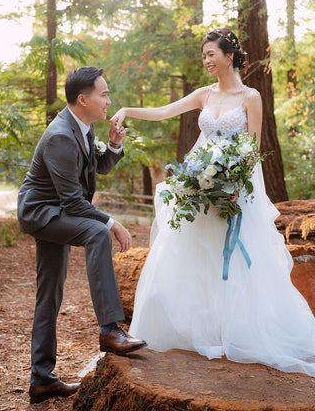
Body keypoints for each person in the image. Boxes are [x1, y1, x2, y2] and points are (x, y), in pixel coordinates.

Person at [111, 28, 315, 377]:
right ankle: (198, 331)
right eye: (204, 55)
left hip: (235, 190)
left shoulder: (251, 96)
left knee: (235, 260)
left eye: (210, 54)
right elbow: (163, 112)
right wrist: (126, 110)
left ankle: (239, 331)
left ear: (229, 55)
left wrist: (234, 183)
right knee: (194, 257)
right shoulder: (204, 95)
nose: (206, 60)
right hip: (200, 186)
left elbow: (252, 148)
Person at [17, 67, 146, 404]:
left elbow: (96, 168)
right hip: (42, 212)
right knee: (97, 233)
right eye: (104, 94)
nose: (109, 100)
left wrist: (115, 144)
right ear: (83, 98)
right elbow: (73, 201)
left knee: (49, 296)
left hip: (56, 210)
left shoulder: (83, 127)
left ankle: (41, 380)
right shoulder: (61, 134)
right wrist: (112, 222)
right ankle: (110, 330)